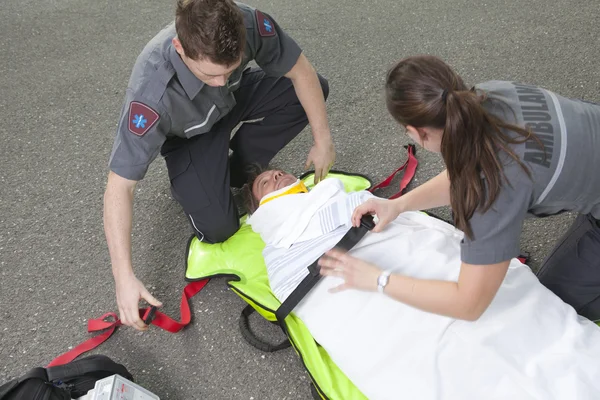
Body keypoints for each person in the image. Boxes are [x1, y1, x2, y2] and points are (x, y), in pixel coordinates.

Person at [243, 170, 600, 400]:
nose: (275, 173)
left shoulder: (335, 197)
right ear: (262, 211)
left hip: (410, 274)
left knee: (511, 327)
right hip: (356, 309)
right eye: (266, 182)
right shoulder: (278, 253)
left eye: (278, 172)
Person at [104, 0, 334, 330]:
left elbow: (300, 70)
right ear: (180, 49)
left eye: (231, 67)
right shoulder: (151, 96)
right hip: (190, 137)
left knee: (313, 92)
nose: (221, 80)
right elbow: (119, 186)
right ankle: (195, 177)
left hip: (236, 101)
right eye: (211, 73)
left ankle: (239, 165)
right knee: (219, 228)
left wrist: (323, 139)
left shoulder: (248, 24)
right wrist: (123, 275)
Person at [324, 55, 600, 322]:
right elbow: (468, 172)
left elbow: (469, 304)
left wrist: (376, 279)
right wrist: (398, 205)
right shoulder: (490, 94)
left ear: (417, 132)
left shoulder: (494, 187)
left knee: (551, 307)